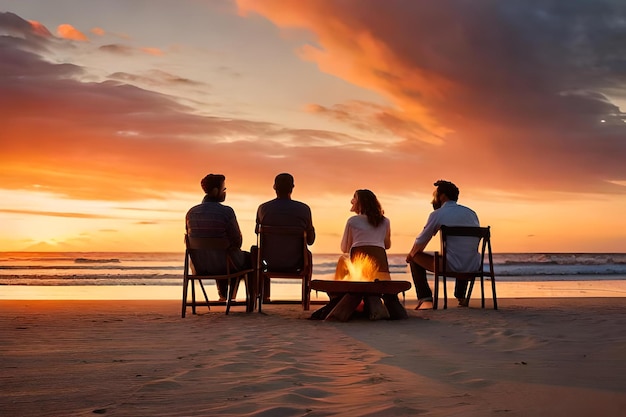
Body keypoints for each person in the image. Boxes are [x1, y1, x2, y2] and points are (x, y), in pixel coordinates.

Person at [406, 180, 480, 310]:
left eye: (435, 195)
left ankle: (425, 298)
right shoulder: (471, 213)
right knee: (462, 252)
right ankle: (461, 296)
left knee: (414, 258)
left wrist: (412, 254)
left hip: (450, 266)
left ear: (443, 196)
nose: (433, 198)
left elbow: (421, 240)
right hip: (473, 266)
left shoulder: (438, 214)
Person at [186, 174, 252, 301]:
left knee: (218, 253)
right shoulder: (226, 212)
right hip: (224, 264)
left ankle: (223, 296)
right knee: (248, 257)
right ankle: (250, 299)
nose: (225, 193)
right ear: (216, 191)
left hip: (199, 266)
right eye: (224, 189)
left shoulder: (191, 213)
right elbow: (237, 241)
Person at [255, 173, 316, 300]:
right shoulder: (303, 209)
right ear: (292, 187)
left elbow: (257, 234)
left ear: (274, 187)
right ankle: (306, 298)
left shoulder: (263, 209)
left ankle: (262, 296)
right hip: (296, 263)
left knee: (255, 252)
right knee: (308, 255)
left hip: (269, 262)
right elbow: (310, 241)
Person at [337, 189, 391, 280]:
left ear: (360, 203)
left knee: (342, 259)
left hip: (359, 267)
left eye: (354, 197)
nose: (351, 201)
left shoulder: (352, 221)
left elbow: (344, 248)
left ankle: (338, 290)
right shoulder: (385, 221)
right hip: (381, 265)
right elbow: (387, 245)